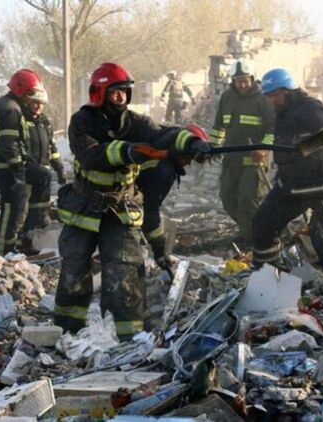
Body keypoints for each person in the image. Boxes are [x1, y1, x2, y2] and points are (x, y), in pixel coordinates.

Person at [55, 62, 209, 339]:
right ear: (100, 93)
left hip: (120, 209)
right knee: (74, 269)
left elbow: (162, 134)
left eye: (125, 92)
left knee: (123, 272)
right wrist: (129, 151)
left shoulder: (136, 122)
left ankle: (128, 338)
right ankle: (67, 331)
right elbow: (91, 156)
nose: (121, 97)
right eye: (115, 92)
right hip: (84, 206)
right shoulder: (82, 121)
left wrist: (190, 142)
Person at [252, 68, 323, 270]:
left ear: (288, 90)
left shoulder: (310, 109)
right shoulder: (281, 114)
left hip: (316, 187)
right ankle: (267, 272)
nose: (272, 100)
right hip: (288, 185)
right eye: (269, 96)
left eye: (276, 95)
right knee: (263, 225)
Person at [210, 59, 275, 243]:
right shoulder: (227, 97)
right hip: (231, 158)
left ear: (252, 78)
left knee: (248, 199)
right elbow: (219, 126)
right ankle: (250, 230)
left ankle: (257, 239)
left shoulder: (263, 98)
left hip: (254, 160)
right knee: (227, 198)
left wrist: (263, 148)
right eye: (238, 81)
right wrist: (212, 148)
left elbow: (273, 128)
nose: (242, 85)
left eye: (245, 80)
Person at [0, 69, 45, 255]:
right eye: (30, 93)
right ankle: (5, 250)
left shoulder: (6, 105)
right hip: (7, 168)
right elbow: (8, 144)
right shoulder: (11, 109)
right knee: (11, 210)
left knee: (41, 177)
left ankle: (30, 230)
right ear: (21, 90)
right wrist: (19, 171)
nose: (32, 98)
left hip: (3, 165)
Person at [136, 124, 209, 271]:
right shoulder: (164, 171)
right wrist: (158, 247)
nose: (189, 163)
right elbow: (150, 207)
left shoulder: (158, 145)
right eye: (189, 157)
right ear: (180, 150)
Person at [20, 89, 66, 246]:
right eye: (35, 103)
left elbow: (52, 148)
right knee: (24, 206)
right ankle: (23, 235)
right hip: (25, 170)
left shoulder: (45, 121)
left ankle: (38, 228)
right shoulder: (21, 120)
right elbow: (17, 145)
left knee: (41, 202)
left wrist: (59, 168)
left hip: (43, 171)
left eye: (41, 104)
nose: (39, 106)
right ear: (28, 103)